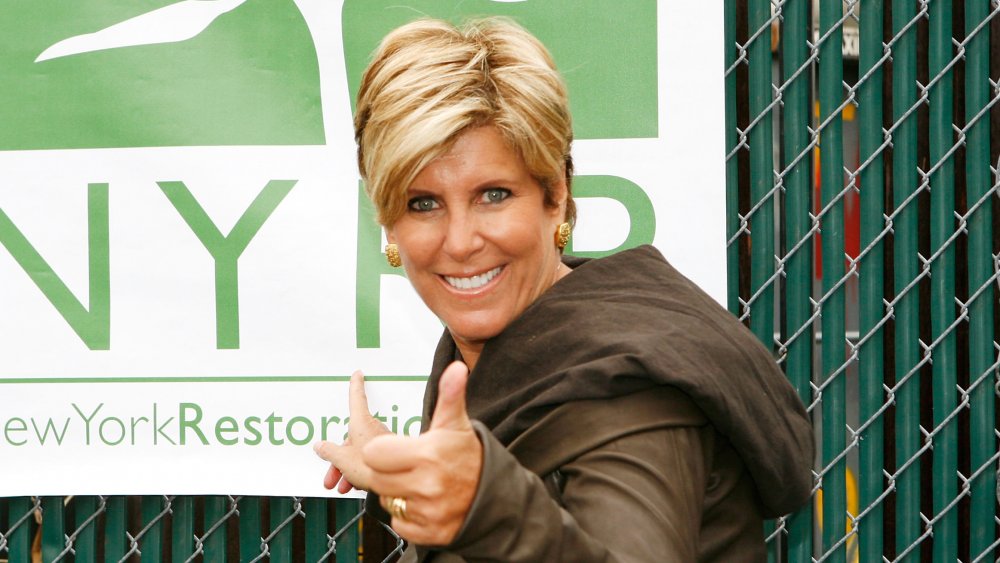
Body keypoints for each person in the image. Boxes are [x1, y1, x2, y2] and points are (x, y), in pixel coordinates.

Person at [313, 16, 813, 562]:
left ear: (556, 196)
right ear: (389, 225)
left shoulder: (628, 390)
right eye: (422, 203)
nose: (459, 242)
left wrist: (481, 505)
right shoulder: (510, 349)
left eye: (494, 195)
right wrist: (405, 480)